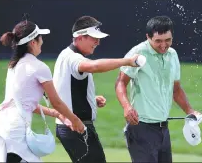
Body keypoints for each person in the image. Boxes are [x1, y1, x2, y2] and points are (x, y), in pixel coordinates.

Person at [0, 20, 85, 163]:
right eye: (40, 38)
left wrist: (57, 115)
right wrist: (76, 120)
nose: (42, 41)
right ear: (33, 42)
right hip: (16, 134)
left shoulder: (13, 66)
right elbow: (55, 101)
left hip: (1, 127)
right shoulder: (39, 67)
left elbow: (26, 104)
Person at [53, 15, 140, 163]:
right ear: (80, 37)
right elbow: (94, 66)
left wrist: (89, 100)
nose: (98, 42)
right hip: (76, 127)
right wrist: (127, 61)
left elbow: (59, 90)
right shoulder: (74, 58)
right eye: (94, 38)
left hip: (70, 127)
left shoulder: (65, 54)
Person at [115, 15, 201, 163]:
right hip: (140, 128)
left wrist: (190, 111)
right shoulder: (138, 53)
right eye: (158, 41)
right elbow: (120, 82)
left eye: (168, 40)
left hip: (163, 129)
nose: (163, 45)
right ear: (148, 37)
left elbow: (176, 90)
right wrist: (127, 107)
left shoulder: (172, 54)